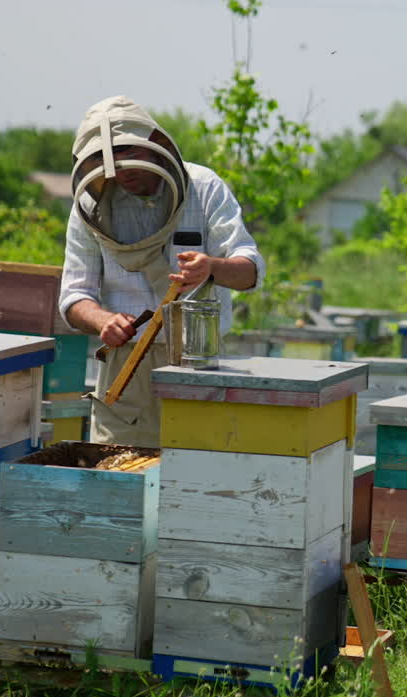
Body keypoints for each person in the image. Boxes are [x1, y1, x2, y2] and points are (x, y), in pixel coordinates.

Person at [59, 96, 263, 448]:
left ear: (156, 145)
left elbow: (250, 270)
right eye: (114, 167)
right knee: (119, 477)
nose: (125, 174)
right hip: (125, 370)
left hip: (197, 363)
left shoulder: (204, 186)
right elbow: (74, 295)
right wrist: (103, 321)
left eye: (132, 161)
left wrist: (212, 268)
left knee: (195, 479)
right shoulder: (88, 207)